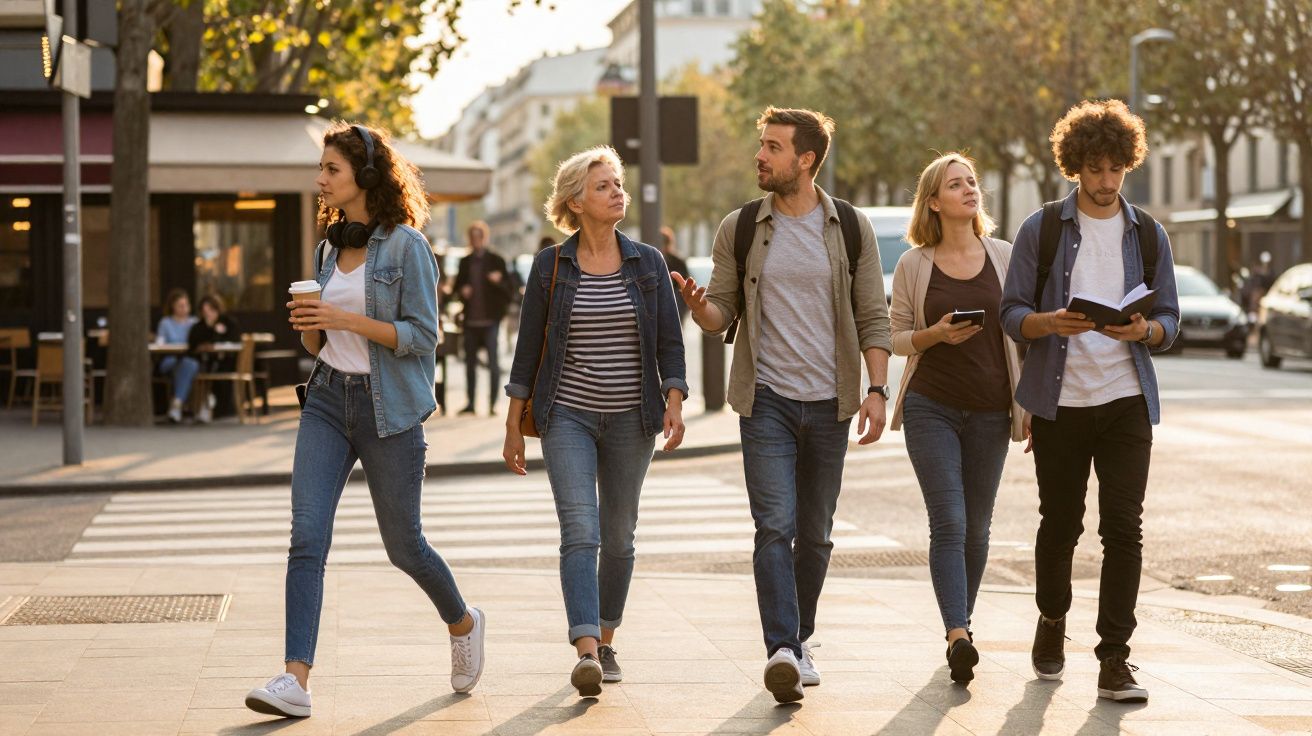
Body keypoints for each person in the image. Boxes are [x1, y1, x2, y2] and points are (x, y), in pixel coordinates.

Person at [244, 122, 485, 720]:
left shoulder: (407, 248)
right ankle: (294, 679)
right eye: (321, 168)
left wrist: (345, 321)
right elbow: (322, 342)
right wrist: (312, 325)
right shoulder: (329, 246)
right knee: (307, 537)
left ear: (364, 177)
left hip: (388, 410)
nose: (320, 179)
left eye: (331, 170)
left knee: (404, 546)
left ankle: (462, 621)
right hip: (327, 400)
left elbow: (423, 338)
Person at [673, 107, 892, 704]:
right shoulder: (741, 226)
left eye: (773, 147)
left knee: (815, 533)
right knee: (774, 526)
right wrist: (700, 308)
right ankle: (782, 649)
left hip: (832, 400)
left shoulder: (849, 226)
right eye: (761, 144)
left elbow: (873, 314)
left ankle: (801, 638)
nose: (761, 156)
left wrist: (877, 390)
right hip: (765, 397)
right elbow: (723, 313)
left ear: (807, 160)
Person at [1001, 99, 1180, 703]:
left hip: (1126, 398)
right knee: (1061, 524)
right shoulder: (1043, 228)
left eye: (1116, 170)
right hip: (1062, 402)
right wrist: (1047, 323)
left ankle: (1114, 658)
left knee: (1123, 529)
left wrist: (1146, 332)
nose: (1106, 183)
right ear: (1075, 166)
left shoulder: (1148, 233)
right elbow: (1011, 312)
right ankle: (1052, 621)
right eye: (1095, 170)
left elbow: (1169, 316)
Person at [502, 145, 688, 697]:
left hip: (633, 418)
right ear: (576, 201)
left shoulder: (649, 263)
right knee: (579, 531)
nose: (617, 192)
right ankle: (585, 648)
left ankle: (607, 638)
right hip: (568, 416)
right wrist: (514, 424)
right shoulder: (551, 266)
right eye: (604, 185)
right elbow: (526, 349)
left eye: (618, 184)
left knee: (619, 537)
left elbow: (669, 345)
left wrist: (674, 400)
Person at [888, 153, 1025, 684]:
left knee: (978, 527)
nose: (969, 190)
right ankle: (957, 634)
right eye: (955, 184)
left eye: (972, 182)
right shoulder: (913, 265)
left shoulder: (1005, 255)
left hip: (993, 408)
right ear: (933, 201)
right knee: (949, 521)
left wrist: (1028, 404)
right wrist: (935, 334)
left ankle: (961, 625)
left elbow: (1021, 335)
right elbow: (897, 337)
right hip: (931, 405)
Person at [453, 221, 514, 416]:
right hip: (470, 320)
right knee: (470, 364)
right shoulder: (465, 261)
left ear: (485, 238)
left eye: (479, 237)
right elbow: (456, 290)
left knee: (493, 363)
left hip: (491, 320)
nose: (476, 240)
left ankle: (492, 404)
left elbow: (510, 291)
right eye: (473, 237)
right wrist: (463, 291)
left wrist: (498, 282)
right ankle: (470, 403)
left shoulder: (497, 260)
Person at [187, 293, 242, 423]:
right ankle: (204, 406)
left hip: (226, 362)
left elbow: (236, 341)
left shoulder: (229, 322)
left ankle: (218, 407)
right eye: (205, 311)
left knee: (219, 369)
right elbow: (192, 345)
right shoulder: (198, 327)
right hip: (205, 362)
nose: (208, 314)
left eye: (211, 310)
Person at [155, 288, 199, 423]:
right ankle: (179, 406)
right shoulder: (165, 323)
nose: (184, 308)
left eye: (186, 305)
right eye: (180, 306)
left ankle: (177, 404)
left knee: (188, 364)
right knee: (186, 366)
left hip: (188, 360)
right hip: (170, 360)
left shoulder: (194, 323)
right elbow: (160, 343)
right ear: (173, 307)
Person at [659, 226, 691, 322]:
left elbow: (685, 284)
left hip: (675, 304)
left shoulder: (677, 261)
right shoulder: (679, 260)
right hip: (676, 305)